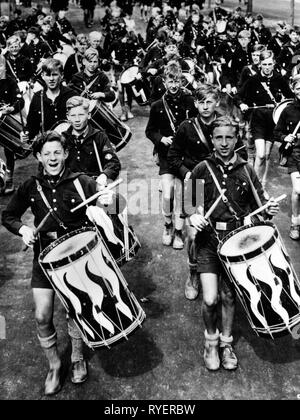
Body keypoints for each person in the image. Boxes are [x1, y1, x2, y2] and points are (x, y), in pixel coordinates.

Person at [1, 131, 115, 396]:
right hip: (44, 257)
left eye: (57, 152)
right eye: (46, 154)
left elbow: (111, 205)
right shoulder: (30, 185)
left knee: (75, 311)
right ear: (39, 157)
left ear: (65, 154)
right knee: (42, 316)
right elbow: (9, 215)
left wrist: (108, 202)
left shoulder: (82, 181)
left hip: (78, 258)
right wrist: (23, 230)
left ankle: (76, 357)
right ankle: (54, 365)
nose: (52, 158)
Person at [183, 115, 279, 371]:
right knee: (210, 299)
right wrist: (193, 214)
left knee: (228, 296)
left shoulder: (247, 169)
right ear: (212, 140)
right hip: (208, 241)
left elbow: (261, 205)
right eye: (219, 138)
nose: (224, 143)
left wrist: (269, 210)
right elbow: (189, 203)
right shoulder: (202, 168)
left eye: (229, 137)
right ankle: (210, 342)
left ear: (237, 138)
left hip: (236, 243)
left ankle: (226, 344)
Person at [168, 84, 247, 299]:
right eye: (201, 102)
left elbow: (241, 152)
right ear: (195, 103)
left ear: (217, 103)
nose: (205, 106)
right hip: (196, 182)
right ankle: (194, 271)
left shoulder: (225, 124)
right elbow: (173, 157)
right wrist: (186, 173)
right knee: (194, 234)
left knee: (230, 226)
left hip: (222, 181)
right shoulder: (186, 127)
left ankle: (224, 271)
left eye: (210, 101)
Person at [145, 61, 197, 250]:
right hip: (167, 155)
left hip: (187, 155)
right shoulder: (158, 105)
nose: (174, 85)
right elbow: (149, 131)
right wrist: (161, 139)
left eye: (177, 81)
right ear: (164, 82)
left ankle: (178, 231)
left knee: (184, 196)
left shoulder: (190, 102)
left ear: (182, 81)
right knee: (168, 195)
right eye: (170, 81)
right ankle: (167, 225)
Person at [236, 50, 292, 193]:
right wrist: (241, 104)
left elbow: (290, 98)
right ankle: (252, 185)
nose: (267, 67)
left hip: (273, 122)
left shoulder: (279, 79)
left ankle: (263, 185)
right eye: (264, 64)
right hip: (258, 120)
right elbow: (238, 96)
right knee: (260, 154)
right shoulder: (253, 80)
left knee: (267, 155)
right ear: (260, 65)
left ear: (273, 64)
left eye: (270, 64)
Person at [63, 95, 121, 184]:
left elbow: (113, 162)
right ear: (68, 117)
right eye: (73, 115)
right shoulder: (62, 139)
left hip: (94, 185)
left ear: (89, 115)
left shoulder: (99, 137)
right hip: (70, 188)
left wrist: (104, 175)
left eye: (81, 115)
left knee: (114, 197)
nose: (77, 119)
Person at [21, 58, 76, 142]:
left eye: (54, 74)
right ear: (42, 76)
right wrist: (25, 134)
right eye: (47, 75)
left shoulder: (72, 95)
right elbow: (32, 126)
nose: (51, 79)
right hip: (49, 146)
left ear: (62, 75)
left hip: (71, 144)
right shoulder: (37, 98)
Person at [274, 74, 300, 240]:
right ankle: (295, 223)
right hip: (295, 155)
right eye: (299, 88)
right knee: (298, 191)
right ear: (293, 89)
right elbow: (276, 132)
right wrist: (285, 137)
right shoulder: (289, 110)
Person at [0, 55, 25, 195]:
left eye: (0, 66)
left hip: (7, 120)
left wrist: (11, 109)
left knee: (9, 150)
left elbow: (20, 101)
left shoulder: (10, 82)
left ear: (5, 66)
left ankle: (9, 179)